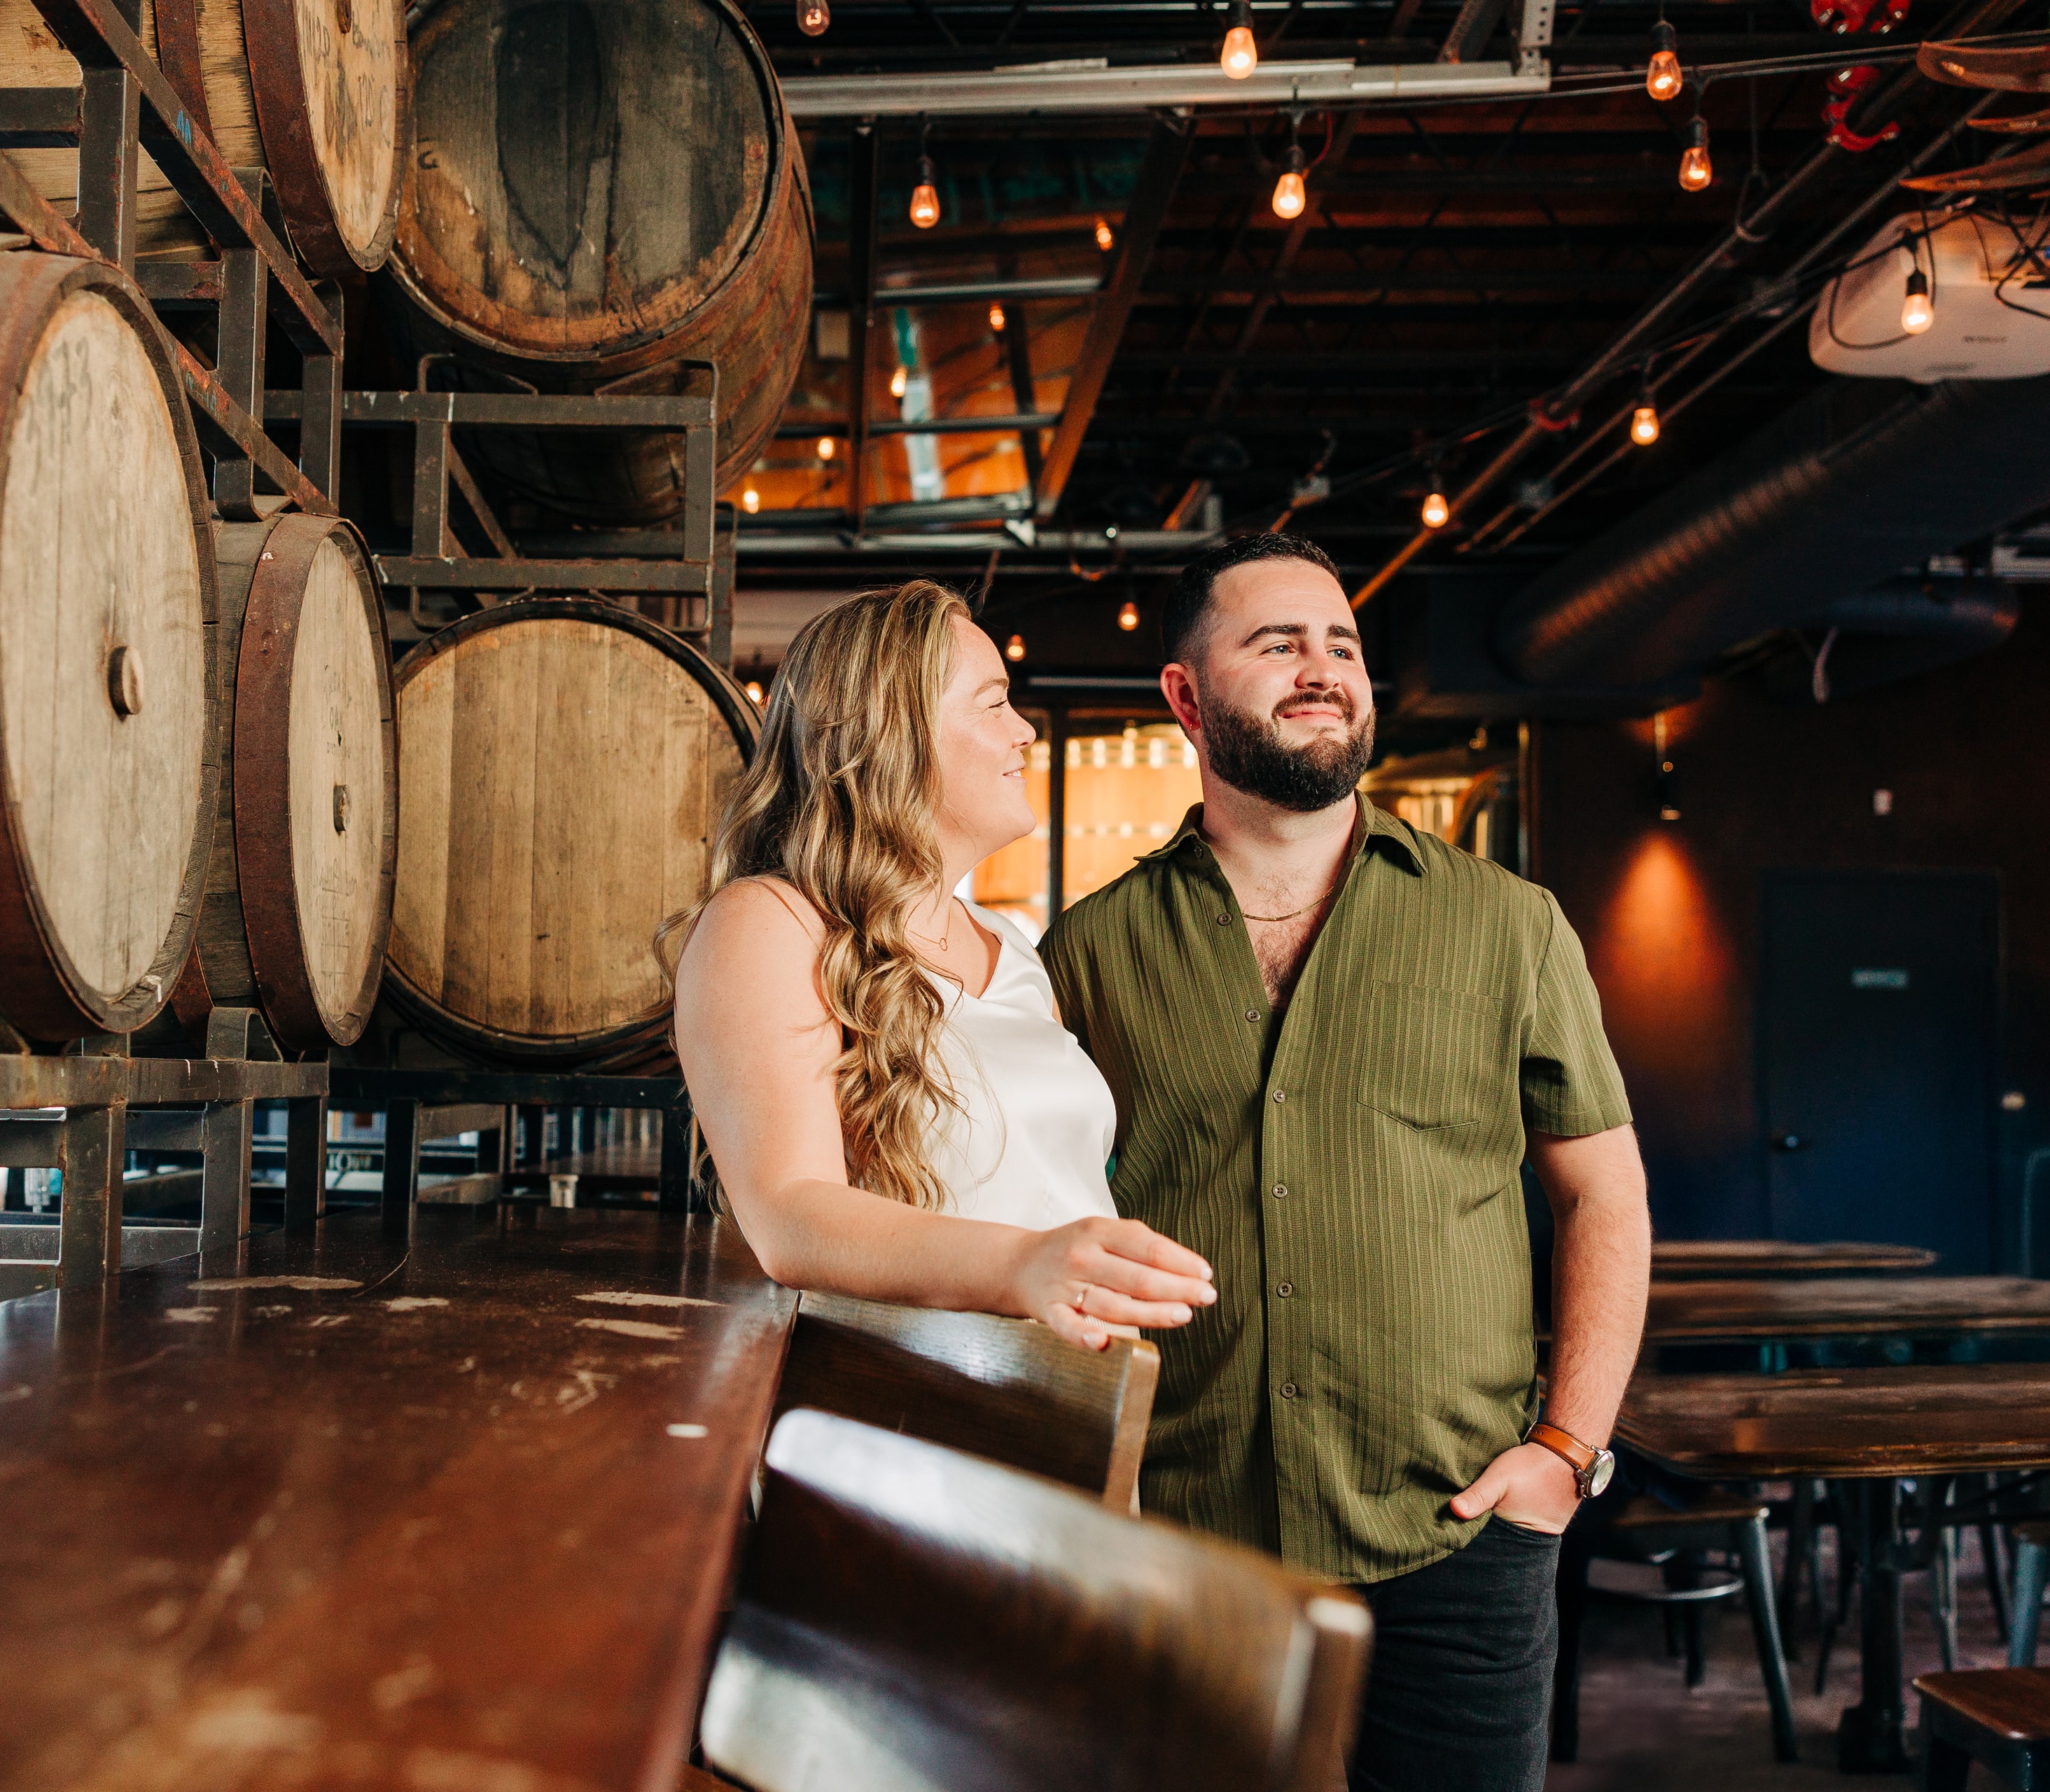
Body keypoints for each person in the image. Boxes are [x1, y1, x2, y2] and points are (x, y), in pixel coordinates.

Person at [1040, 532, 1650, 1792]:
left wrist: (1566, 1450)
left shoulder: (1507, 925)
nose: (1323, 669)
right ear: (1185, 696)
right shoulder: (1089, 954)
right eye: (1278, 643)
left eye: (1343, 646)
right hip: (1187, 1542)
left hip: (1459, 1538)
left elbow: (1605, 1195)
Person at [667, 580, 1218, 1350]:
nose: (1024, 730)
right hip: (913, 1427)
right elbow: (790, 1213)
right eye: (993, 704)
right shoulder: (771, 922)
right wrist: (1022, 1264)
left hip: (1073, 1418)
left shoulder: (1014, 948)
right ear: (891, 730)